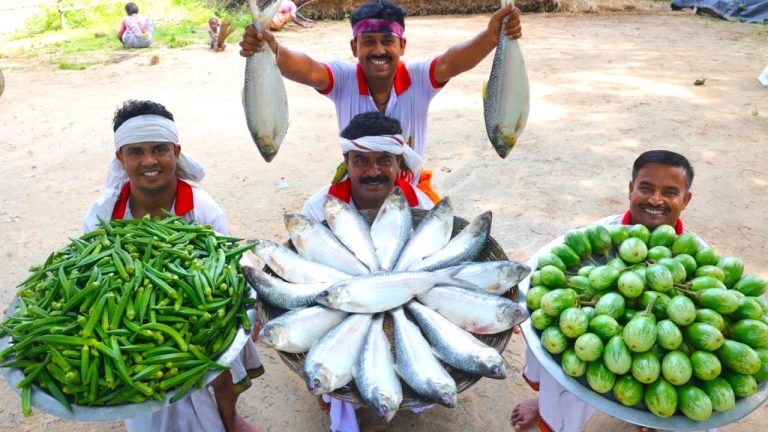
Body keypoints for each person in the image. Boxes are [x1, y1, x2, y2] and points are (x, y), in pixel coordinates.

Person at [83, 99, 263, 432]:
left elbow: (222, 266)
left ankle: (229, 416)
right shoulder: (104, 214)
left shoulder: (202, 210)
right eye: (136, 152)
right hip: (127, 313)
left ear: (176, 151)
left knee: (222, 370)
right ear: (120, 158)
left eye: (159, 149)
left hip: (200, 307)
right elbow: (92, 271)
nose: (149, 161)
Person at [511, 150, 715, 432]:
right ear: (631, 189)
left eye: (670, 192)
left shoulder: (698, 255)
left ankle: (657, 415)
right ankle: (546, 400)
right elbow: (541, 270)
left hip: (656, 351)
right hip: (593, 337)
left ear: (686, 200)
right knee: (555, 344)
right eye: (646, 188)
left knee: (682, 386)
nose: (656, 200)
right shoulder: (600, 235)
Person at [240, 0, 521, 201]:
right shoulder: (343, 78)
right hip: (359, 192)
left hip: (410, 192)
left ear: (402, 46)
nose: (379, 50)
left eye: (387, 41)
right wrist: (271, 47)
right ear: (354, 46)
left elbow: (452, 61)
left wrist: (490, 37)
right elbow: (307, 68)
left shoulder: (419, 78)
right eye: (368, 41)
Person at [300, 111, 433, 432]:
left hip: (406, 297)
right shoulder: (319, 209)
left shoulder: (421, 206)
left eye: (384, 160)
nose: (373, 172)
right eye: (361, 161)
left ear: (399, 164)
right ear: (346, 161)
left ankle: (416, 386)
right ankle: (337, 395)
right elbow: (305, 272)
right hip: (340, 299)